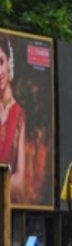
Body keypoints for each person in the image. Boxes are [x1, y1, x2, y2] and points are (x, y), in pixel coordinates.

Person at [0, 35, 26, 195]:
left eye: (1, 62)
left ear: (9, 63)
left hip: (8, 206)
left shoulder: (19, 114)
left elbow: (20, 179)